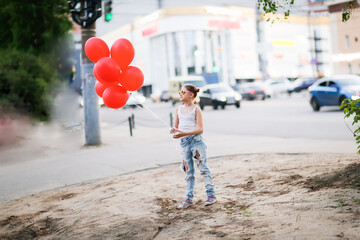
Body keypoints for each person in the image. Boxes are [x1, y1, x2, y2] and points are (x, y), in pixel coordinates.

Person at [170, 84, 217, 209]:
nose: (180, 94)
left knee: (203, 168)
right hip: (184, 143)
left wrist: (183, 133)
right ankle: (188, 198)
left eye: (182, 92)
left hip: (196, 142)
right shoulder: (178, 109)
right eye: (180, 92)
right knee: (189, 172)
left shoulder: (196, 109)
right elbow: (177, 127)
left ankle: (211, 195)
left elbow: (200, 129)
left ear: (191, 95)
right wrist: (175, 130)